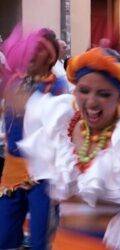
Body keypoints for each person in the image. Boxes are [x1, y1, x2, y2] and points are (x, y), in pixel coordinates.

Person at [17, 47, 120, 250]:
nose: (92, 101)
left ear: (119, 97)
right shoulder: (62, 126)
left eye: (103, 94)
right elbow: (24, 106)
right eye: (84, 90)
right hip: (65, 243)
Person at [0, 27, 69, 250]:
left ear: (50, 56)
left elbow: (57, 127)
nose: (30, 53)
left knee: (41, 240)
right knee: (4, 237)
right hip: (12, 170)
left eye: (37, 49)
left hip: (43, 173)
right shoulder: (14, 82)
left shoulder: (57, 87)